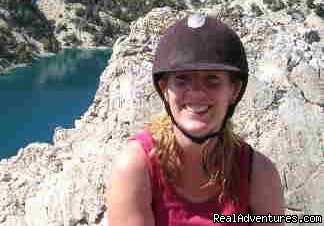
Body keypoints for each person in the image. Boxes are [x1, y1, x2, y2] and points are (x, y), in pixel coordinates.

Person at [106, 14, 284, 225]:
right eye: (182, 79)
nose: (197, 92)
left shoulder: (258, 173)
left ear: (234, 91)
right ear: (165, 89)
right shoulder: (137, 168)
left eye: (212, 79)